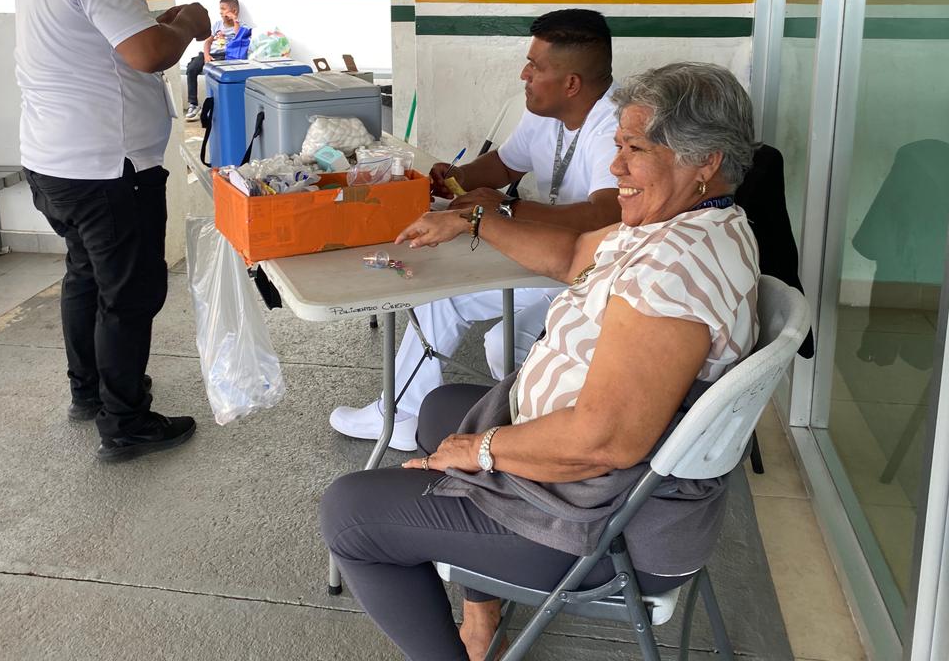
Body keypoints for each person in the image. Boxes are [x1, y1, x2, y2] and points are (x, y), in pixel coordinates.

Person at [320, 62, 761, 661]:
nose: (616, 167)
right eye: (618, 146)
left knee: (350, 515)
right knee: (440, 407)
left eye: (635, 149)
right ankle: (482, 618)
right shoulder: (693, 222)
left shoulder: (674, 273)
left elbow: (604, 440)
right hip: (598, 486)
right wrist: (474, 219)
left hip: (607, 528)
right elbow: (574, 254)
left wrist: (480, 450)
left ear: (704, 160)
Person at [330, 9, 623, 451]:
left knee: (503, 341)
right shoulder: (548, 109)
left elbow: (606, 215)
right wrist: (456, 179)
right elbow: (506, 163)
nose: (524, 74)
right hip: (550, 252)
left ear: (571, 84)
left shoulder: (613, 125)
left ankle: (543, 436)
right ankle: (403, 414)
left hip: (595, 268)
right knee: (442, 293)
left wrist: (506, 209)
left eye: (535, 67)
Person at [15, 0, 211, 463]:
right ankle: (125, 423)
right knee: (127, 295)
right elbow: (148, 54)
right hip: (108, 171)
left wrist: (160, 24)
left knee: (84, 277)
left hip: (55, 165)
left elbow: (111, 43)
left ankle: (89, 392)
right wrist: (188, 24)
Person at [183, 0, 249, 121]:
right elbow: (208, 42)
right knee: (192, 68)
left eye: (223, 9)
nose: (220, 12)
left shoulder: (241, 26)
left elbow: (238, 39)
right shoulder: (217, 25)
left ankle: (217, 106)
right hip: (210, 54)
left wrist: (235, 20)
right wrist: (206, 55)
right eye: (220, 9)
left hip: (226, 55)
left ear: (234, 11)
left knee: (216, 74)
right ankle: (193, 104)